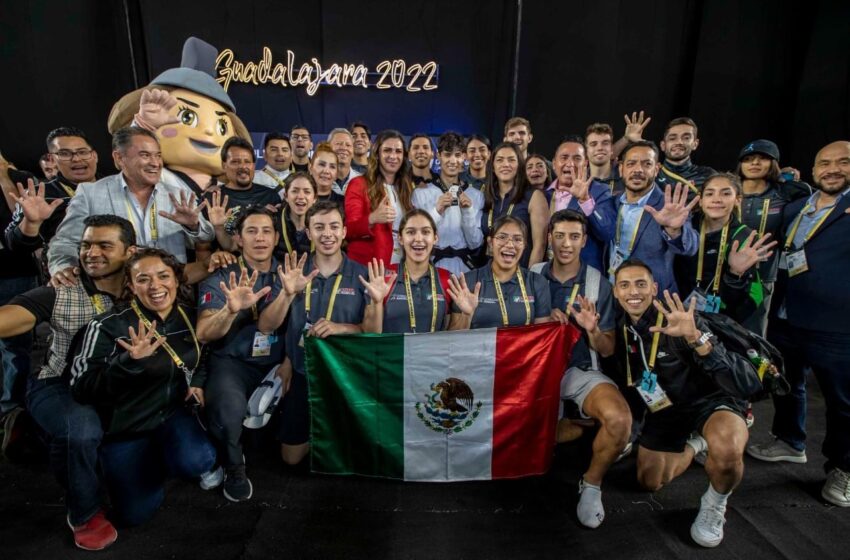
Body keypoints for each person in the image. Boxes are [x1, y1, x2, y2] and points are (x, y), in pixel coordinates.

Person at [0, 215, 135, 550]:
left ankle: (38, 434)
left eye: (105, 245)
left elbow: (187, 273)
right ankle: (84, 513)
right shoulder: (61, 291)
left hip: (112, 384)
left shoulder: (145, 283)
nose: (92, 253)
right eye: (86, 244)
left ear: (129, 252)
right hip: (57, 385)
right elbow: (8, 320)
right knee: (81, 429)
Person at [70, 248, 218, 527]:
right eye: (143, 279)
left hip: (172, 415)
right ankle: (141, 463)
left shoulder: (189, 315)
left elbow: (204, 354)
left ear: (176, 279)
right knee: (134, 516)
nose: (155, 287)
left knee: (197, 461)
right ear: (130, 285)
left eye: (163, 276)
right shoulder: (107, 326)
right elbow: (81, 388)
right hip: (127, 428)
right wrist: (127, 362)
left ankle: (167, 456)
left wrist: (197, 382)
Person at [611, 259, 752, 547]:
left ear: (654, 287)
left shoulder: (681, 319)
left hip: (711, 403)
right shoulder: (622, 326)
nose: (633, 292)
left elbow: (734, 378)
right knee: (649, 482)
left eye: (640, 284)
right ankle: (698, 443)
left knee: (727, 451)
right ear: (615, 292)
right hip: (666, 411)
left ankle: (715, 504)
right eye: (624, 285)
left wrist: (696, 337)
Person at [747, 141, 850, 508]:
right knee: (787, 383)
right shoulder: (796, 207)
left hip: (836, 324)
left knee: (843, 401)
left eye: (843, 162)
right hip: (787, 313)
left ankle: (844, 468)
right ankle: (790, 440)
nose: (833, 169)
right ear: (814, 168)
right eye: (825, 163)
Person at [532, 210, 630, 529]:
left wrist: (593, 330)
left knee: (618, 419)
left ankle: (591, 484)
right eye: (559, 235)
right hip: (533, 373)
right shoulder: (531, 273)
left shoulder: (596, 283)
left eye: (574, 236)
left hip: (577, 369)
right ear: (549, 237)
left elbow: (608, 348)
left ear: (584, 241)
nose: (566, 243)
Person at [256, 201, 371, 466]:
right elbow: (266, 327)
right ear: (308, 233)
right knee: (291, 458)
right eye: (319, 227)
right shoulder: (293, 271)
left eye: (333, 226)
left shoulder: (362, 274)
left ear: (344, 231)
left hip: (345, 375)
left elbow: (371, 331)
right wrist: (287, 293)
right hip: (303, 372)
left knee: (352, 452)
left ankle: (336, 428)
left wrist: (342, 328)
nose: (326, 234)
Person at [47, 127, 215, 287]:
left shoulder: (179, 196)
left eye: (158, 156)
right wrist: (63, 268)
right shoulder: (90, 193)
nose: (155, 163)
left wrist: (193, 226)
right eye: (145, 155)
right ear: (119, 158)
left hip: (168, 291)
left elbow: (206, 240)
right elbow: (65, 242)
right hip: (115, 294)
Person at [197, 208, 283, 502]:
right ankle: (234, 466)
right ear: (238, 239)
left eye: (266, 231)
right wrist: (230, 310)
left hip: (276, 362)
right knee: (229, 411)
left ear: (276, 237)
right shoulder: (222, 277)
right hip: (232, 362)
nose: (260, 238)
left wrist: (289, 364)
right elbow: (205, 333)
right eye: (251, 231)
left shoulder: (289, 272)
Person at [674, 173, 776, 327]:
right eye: (710, 194)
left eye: (726, 193)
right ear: (700, 200)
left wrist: (735, 275)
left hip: (724, 319)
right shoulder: (686, 227)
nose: (716, 199)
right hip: (683, 311)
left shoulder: (744, 238)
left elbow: (742, 304)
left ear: (738, 200)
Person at [734, 139, 810, 335]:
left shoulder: (785, 192)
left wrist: (789, 179)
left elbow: (811, 198)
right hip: (724, 271)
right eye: (748, 159)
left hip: (762, 274)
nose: (755, 163)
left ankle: (753, 366)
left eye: (762, 159)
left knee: (753, 329)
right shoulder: (727, 190)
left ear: (773, 163)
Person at [611, 141, 699, 293]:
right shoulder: (612, 202)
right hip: (614, 291)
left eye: (646, 164)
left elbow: (690, 247)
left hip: (655, 297)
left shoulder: (670, 205)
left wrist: (674, 231)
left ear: (656, 169)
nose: (638, 170)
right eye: (631, 163)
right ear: (621, 169)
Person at [5, 127, 99, 254]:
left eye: (82, 152)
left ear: (94, 155)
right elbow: (14, 246)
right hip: (67, 269)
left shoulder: (117, 186)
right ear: (53, 160)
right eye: (65, 154)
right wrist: (31, 224)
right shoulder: (39, 196)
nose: (76, 159)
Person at [449, 216, 551, 330]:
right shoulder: (468, 282)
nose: (510, 245)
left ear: (524, 245)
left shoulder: (537, 282)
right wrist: (466, 316)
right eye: (502, 237)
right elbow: (453, 342)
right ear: (490, 243)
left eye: (517, 239)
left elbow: (542, 337)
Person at [360, 210, 453, 333]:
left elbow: (451, 338)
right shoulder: (383, 278)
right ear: (400, 238)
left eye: (426, 232)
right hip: (395, 352)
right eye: (410, 232)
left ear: (435, 238)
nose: (418, 238)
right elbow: (370, 336)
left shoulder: (447, 279)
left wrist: (467, 315)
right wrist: (377, 303)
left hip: (432, 352)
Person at [412, 131, 484, 275]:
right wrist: (436, 210)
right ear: (438, 155)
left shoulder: (476, 196)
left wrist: (468, 212)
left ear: (464, 157)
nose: (452, 161)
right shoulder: (421, 193)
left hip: (464, 268)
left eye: (457, 155)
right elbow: (416, 236)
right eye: (447, 154)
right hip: (431, 265)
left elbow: (475, 243)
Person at [544, 136, 615, 272]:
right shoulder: (542, 195)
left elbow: (607, 233)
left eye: (577, 158)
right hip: (546, 276)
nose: (570, 164)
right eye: (564, 157)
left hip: (584, 278)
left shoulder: (600, 191)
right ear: (554, 164)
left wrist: (585, 200)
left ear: (586, 163)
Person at [345, 130, 413, 266]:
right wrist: (372, 219)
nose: (393, 156)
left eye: (398, 151)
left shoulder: (407, 187)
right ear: (377, 154)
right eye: (387, 150)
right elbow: (348, 230)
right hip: (367, 267)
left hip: (401, 266)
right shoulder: (358, 184)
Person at [204, 136, 283, 251]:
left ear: (254, 165)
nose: (243, 167)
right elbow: (202, 247)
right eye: (235, 162)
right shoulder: (212, 199)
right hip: (224, 264)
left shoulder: (270, 196)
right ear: (224, 165)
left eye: (247, 162)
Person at [480, 143, 548, 267]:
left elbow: (540, 245)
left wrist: (530, 279)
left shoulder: (534, 196)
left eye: (511, 160)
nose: (505, 164)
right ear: (493, 167)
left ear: (519, 166)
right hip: (489, 276)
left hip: (521, 276)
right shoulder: (485, 196)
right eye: (500, 160)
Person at [657, 117, 715, 195]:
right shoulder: (652, 173)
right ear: (663, 145)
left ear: (695, 144)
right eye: (672, 138)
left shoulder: (707, 175)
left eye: (686, 138)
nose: (679, 142)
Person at [274, 172, 316, 260]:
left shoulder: (323, 223)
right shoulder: (273, 221)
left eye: (307, 192)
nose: (300, 196)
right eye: (295, 191)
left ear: (315, 198)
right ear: (286, 196)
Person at [585, 123, 622, 195]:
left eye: (605, 143)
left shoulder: (625, 176)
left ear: (611, 149)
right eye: (593, 144)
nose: (600, 148)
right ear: (586, 151)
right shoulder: (579, 180)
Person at [328, 128, 362, 196]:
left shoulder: (363, 181)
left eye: (348, 145)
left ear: (353, 152)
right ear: (328, 148)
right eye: (338, 144)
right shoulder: (318, 180)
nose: (343, 148)